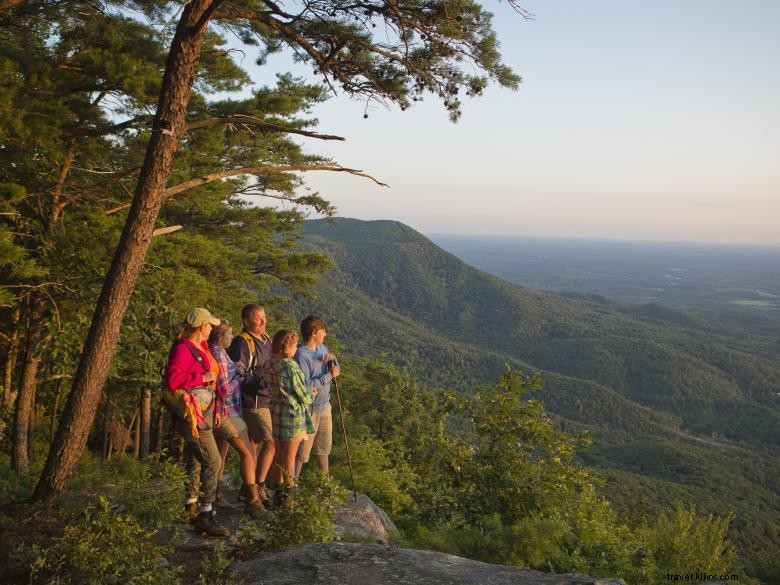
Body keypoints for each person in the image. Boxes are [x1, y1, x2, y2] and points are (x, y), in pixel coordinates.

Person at [164, 307, 229, 537]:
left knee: (196, 459)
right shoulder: (183, 348)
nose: (212, 328)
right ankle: (205, 513)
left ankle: (190, 504)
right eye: (209, 325)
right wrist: (200, 377)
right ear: (202, 327)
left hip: (205, 411)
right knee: (213, 460)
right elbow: (172, 380)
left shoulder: (199, 347)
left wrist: (217, 404)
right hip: (193, 414)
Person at [208, 319, 263, 513]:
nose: (233, 337)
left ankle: (217, 496)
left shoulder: (220, 353)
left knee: (221, 455)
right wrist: (239, 376)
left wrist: (236, 368)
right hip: (227, 412)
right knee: (247, 452)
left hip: (229, 412)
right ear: (220, 337)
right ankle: (252, 501)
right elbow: (223, 389)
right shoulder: (219, 355)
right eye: (229, 334)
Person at [228, 304, 274, 505]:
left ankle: (247, 488)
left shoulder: (266, 339)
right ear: (246, 321)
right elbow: (240, 375)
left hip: (266, 399)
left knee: (255, 445)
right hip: (253, 402)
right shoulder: (242, 342)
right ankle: (259, 486)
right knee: (270, 443)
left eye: (264, 317)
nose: (263, 322)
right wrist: (265, 382)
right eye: (258, 319)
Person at [268, 329, 315, 498]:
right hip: (292, 416)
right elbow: (304, 395)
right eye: (295, 346)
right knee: (290, 456)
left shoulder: (270, 363)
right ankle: (289, 492)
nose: (297, 349)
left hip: (276, 412)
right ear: (286, 348)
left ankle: (277, 491)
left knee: (279, 455)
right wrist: (312, 394)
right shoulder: (291, 366)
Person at [295, 314, 339, 475]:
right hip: (309, 410)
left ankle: (325, 484)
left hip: (324, 406)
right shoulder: (301, 356)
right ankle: (291, 487)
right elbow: (305, 385)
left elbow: (336, 368)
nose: (325, 334)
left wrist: (331, 360)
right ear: (314, 332)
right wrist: (328, 376)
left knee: (323, 448)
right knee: (301, 452)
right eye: (323, 331)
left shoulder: (322, 349)